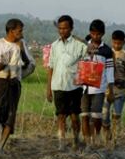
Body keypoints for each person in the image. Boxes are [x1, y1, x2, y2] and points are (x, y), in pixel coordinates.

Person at [0, 18, 32, 153]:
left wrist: (22, 51)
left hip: (14, 82)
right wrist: (6, 59)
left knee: (10, 115)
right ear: (11, 31)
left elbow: (27, 63)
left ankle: (0, 147)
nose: (21, 32)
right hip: (0, 82)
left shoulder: (21, 44)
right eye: (19, 30)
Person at [46, 15, 88, 149]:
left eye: (65, 28)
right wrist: (48, 88)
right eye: (60, 28)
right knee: (61, 115)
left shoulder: (80, 45)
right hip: (58, 85)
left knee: (75, 116)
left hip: (74, 86)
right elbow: (51, 66)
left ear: (71, 28)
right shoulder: (54, 45)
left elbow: (89, 61)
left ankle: (76, 139)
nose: (62, 31)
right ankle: (61, 143)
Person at [79, 20, 115, 148]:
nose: (95, 37)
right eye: (93, 34)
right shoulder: (83, 47)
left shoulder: (106, 51)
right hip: (83, 87)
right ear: (90, 33)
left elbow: (110, 71)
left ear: (103, 34)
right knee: (84, 115)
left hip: (99, 88)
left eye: (98, 34)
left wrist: (110, 90)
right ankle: (87, 140)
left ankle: (97, 136)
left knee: (96, 115)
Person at [107, 30, 125, 146]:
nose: (117, 45)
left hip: (120, 91)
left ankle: (115, 139)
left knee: (117, 115)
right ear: (112, 41)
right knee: (104, 115)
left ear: (123, 42)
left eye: (119, 43)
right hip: (107, 91)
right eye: (115, 43)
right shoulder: (106, 54)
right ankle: (107, 135)